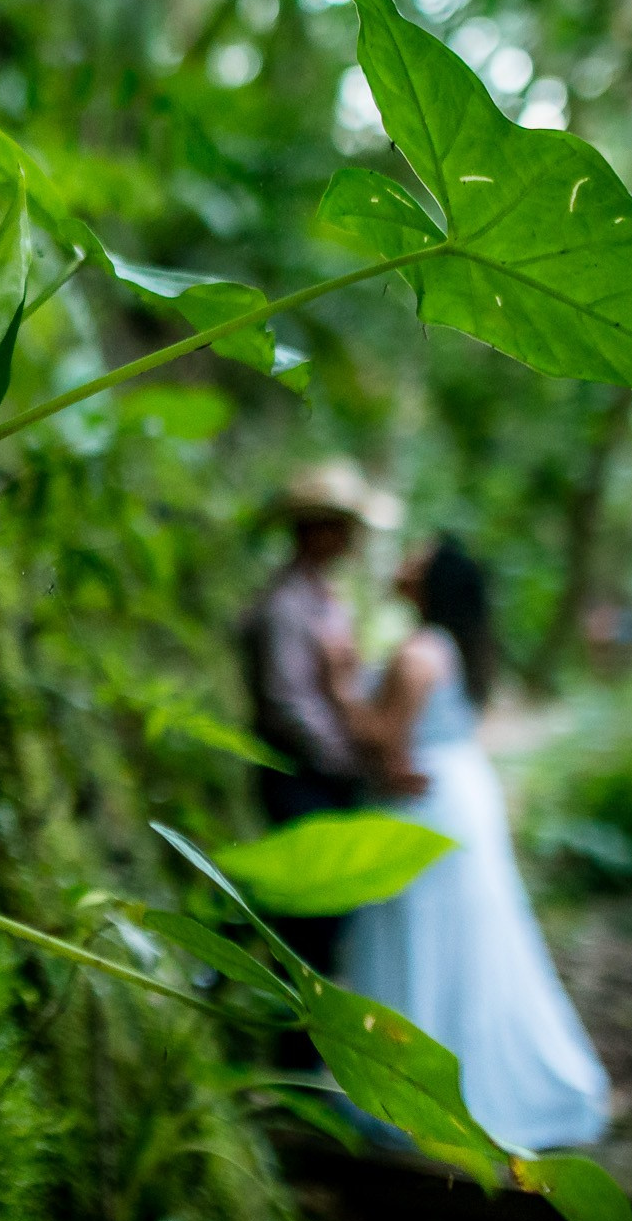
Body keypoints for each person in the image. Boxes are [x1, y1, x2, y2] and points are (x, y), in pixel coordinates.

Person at [323, 535, 611, 1152]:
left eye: (416, 558)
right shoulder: (453, 648)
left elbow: (380, 738)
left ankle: (424, 1097)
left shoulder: (421, 652)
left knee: (424, 938)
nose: (403, 562)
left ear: (432, 581)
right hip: (455, 794)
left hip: (425, 806)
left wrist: (340, 681)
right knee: (462, 941)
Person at [239, 459, 403, 982]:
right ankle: (296, 1051)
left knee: (328, 914)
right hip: (302, 776)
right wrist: (348, 756)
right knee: (309, 921)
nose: (351, 541)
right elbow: (288, 707)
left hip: (325, 774)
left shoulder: (322, 597)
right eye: (343, 528)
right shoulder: (287, 604)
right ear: (318, 531)